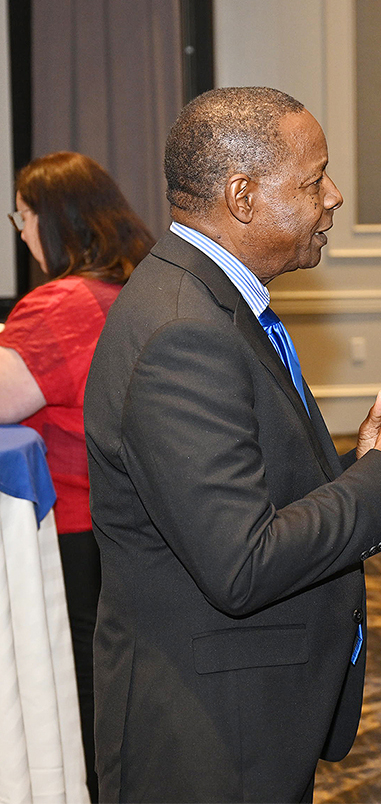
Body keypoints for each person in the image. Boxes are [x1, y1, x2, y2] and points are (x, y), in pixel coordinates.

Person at [84, 86, 381, 802]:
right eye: (313, 181)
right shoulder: (185, 332)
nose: (333, 197)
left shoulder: (214, 302)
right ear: (242, 196)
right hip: (209, 736)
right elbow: (241, 563)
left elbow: (240, 496)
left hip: (241, 711)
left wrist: (364, 468)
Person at [0, 151, 154, 801]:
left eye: (24, 215)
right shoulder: (128, 291)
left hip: (65, 524)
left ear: (56, 221)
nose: (21, 230)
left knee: (74, 682)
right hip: (123, 522)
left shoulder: (60, 304)